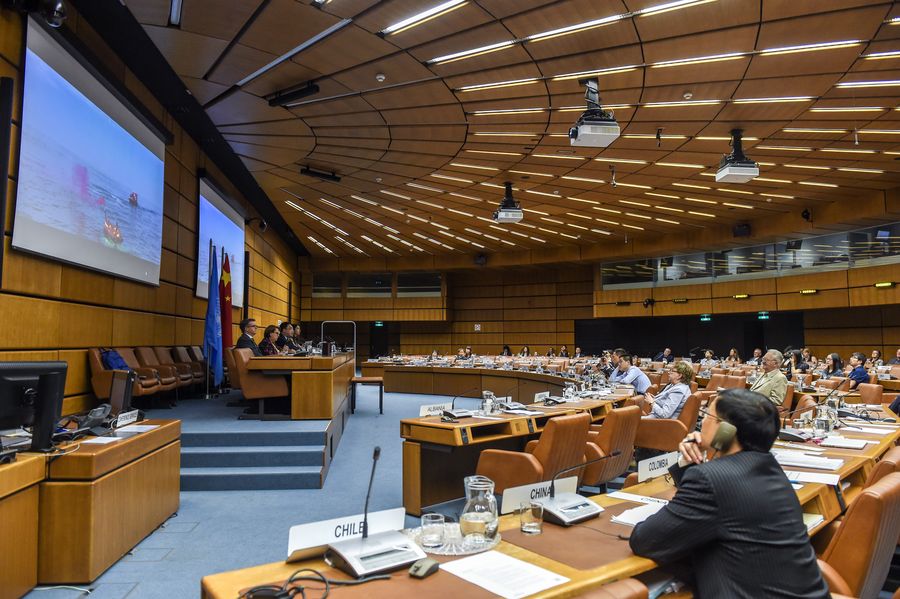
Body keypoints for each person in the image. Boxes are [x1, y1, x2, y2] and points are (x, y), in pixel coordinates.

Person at [630, 389, 829, 599]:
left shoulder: (711, 479)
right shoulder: (771, 469)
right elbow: (709, 502)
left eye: (707, 416)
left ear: (725, 430)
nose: (701, 423)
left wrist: (700, 463)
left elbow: (646, 540)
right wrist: (690, 461)